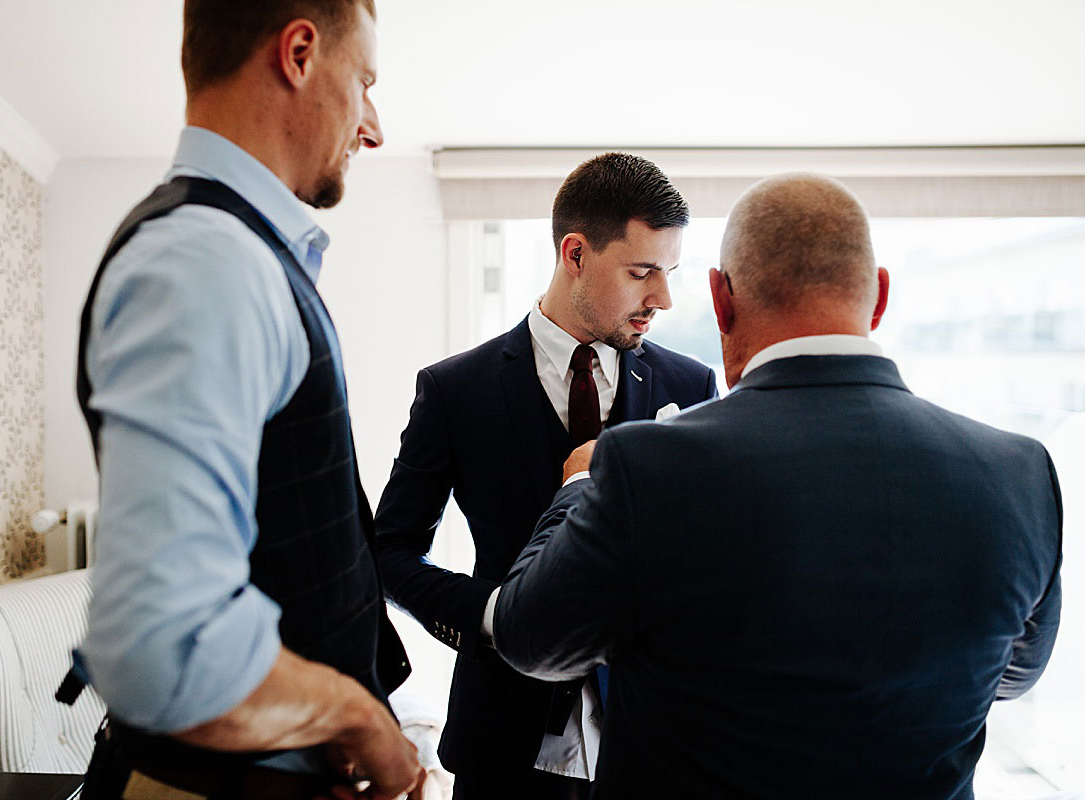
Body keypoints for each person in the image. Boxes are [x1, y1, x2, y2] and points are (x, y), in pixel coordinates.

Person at [493, 173, 1064, 799]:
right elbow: (1012, 673)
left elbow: (531, 639)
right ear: (878, 298)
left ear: (720, 299)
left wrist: (578, 486)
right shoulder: (1021, 474)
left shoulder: (646, 467)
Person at [73, 1, 423, 798]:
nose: (372, 126)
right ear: (299, 53)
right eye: (363, 82)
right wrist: (357, 717)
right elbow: (164, 648)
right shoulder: (206, 262)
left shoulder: (241, 257)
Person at [375, 153, 718, 798]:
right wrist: (493, 618)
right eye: (642, 272)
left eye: (669, 273)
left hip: (649, 745)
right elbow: (388, 552)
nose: (662, 300)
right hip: (501, 740)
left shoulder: (689, 385)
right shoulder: (456, 390)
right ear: (575, 254)